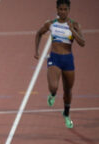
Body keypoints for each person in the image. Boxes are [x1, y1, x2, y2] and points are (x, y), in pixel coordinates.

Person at [34, 0, 85, 128]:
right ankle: (52, 94)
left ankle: (66, 114)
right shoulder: (51, 24)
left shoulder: (75, 25)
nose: (63, 11)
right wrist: (36, 51)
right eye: (60, 9)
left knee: (68, 90)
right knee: (53, 87)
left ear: (69, 10)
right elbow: (38, 33)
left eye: (65, 9)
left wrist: (72, 30)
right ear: (57, 10)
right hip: (55, 58)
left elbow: (82, 42)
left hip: (68, 60)